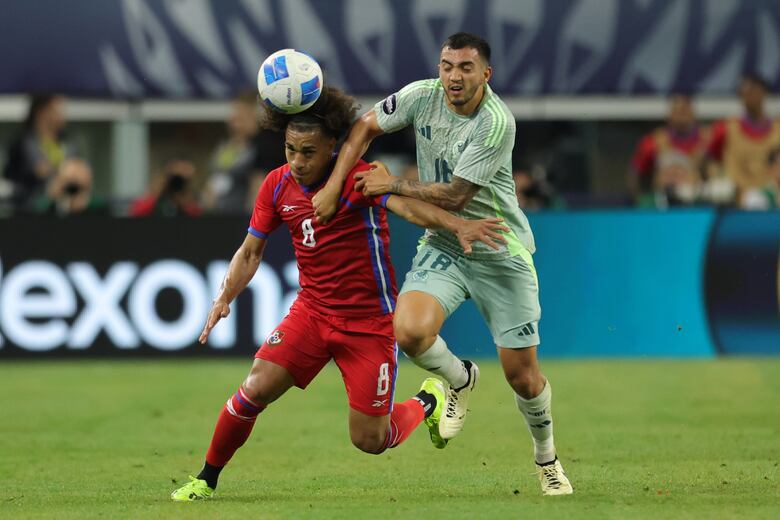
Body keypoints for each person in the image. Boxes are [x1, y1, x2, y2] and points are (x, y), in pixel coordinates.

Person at [170, 86, 508, 501]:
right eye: (290, 150)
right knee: (254, 388)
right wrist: (224, 296)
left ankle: (427, 400)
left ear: (333, 146)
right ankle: (205, 479)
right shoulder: (276, 185)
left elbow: (408, 209)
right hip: (312, 314)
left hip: (369, 324)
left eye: (308, 152)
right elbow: (250, 251)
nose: (297, 162)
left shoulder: (359, 178)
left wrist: (458, 225)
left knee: (370, 439)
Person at [311, 32, 573, 496]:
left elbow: (455, 195)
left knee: (524, 378)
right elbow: (364, 128)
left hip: (498, 248)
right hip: (446, 243)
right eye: (447, 65)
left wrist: (392, 184)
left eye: (466, 67)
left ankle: (546, 458)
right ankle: (460, 378)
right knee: (409, 331)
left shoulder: (496, 122)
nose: (454, 76)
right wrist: (333, 186)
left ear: (485, 74)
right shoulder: (421, 95)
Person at [203, 91, 285, 214]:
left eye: (241, 118)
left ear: (255, 116)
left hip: (242, 215)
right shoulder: (229, 145)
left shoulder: (267, 145)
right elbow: (218, 174)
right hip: (218, 212)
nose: (233, 123)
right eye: (234, 118)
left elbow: (258, 183)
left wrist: (254, 219)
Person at [707, 73, 780, 206]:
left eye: (752, 91)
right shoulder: (724, 129)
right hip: (734, 203)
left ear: (763, 93)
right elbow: (711, 162)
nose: (748, 96)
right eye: (743, 93)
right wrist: (718, 180)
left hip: (774, 202)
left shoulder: (778, 130)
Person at [630, 94, 708, 208]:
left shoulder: (708, 139)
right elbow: (636, 173)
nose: (682, 116)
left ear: (693, 113)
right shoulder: (654, 141)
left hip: (698, 202)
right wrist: (637, 199)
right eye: (677, 111)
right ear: (669, 115)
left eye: (685, 111)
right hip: (662, 204)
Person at [2, 94, 74, 209]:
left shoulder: (66, 143)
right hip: (28, 210)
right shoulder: (21, 144)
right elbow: (11, 180)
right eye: (57, 111)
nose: (62, 116)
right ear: (41, 113)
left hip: (62, 209)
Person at [129, 157, 203, 217]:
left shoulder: (194, 202)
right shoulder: (155, 199)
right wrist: (156, 194)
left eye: (182, 180)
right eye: (174, 178)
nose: (177, 184)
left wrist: (186, 202)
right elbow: (136, 212)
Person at [32, 157, 107, 216]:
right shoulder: (52, 207)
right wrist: (52, 198)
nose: (73, 186)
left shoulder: (99, 207)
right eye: (69, 181)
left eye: (77, 180)